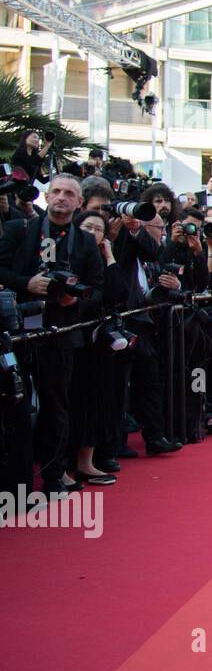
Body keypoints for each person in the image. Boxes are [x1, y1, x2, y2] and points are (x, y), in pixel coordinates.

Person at [0, 173, 105, 495]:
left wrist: (74, 298)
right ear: (46, 198)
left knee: (56, 405)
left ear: (79, 202)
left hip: (60, 333)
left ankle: (54, 476)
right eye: (56, 191)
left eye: (69, 193)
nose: (61, 198)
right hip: (17, 331)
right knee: (15, 406)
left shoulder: (85, 242)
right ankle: (15, 484)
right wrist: (26, 284)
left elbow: (98, 289)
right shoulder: (21, 230)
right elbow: (1, 268)